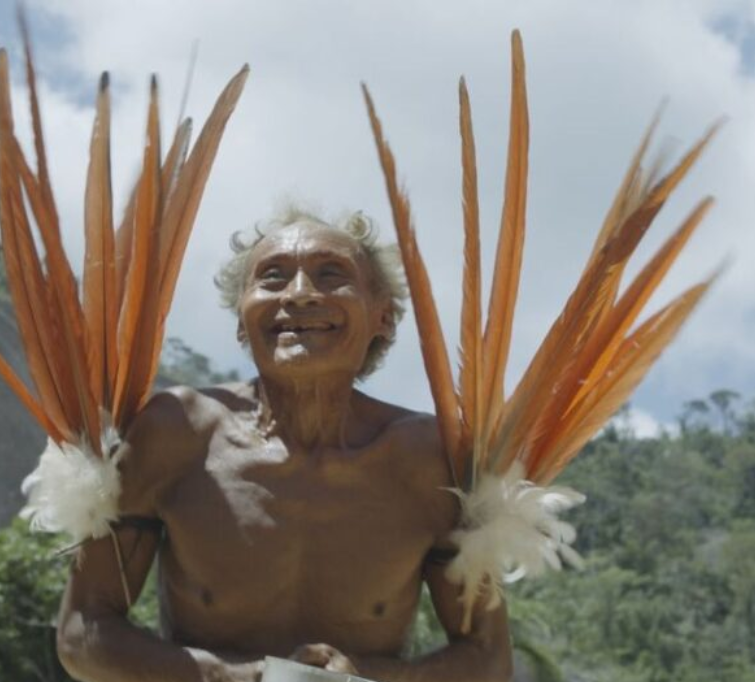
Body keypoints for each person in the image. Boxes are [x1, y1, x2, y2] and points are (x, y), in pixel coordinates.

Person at [56, 206, 513, 682]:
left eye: (331, 275)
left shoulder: (431, 461)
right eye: (272, 278)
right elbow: (82, 631)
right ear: (240, 319)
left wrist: (365, 678)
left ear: (384, 317)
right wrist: (234, 676)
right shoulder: (178, 433)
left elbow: (487, 657)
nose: (297, 295)